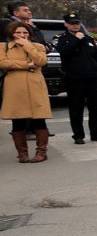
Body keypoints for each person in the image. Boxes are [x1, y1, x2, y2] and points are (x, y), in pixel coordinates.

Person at [54, 12, 97, 144]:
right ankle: (78, 135)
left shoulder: (88, 39)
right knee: (76, 108)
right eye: (72, 23)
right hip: (75, 79)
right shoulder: (62, 39)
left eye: (77, 23)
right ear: (66, 24)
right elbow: (65, 52)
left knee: (96, 108)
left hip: (93, 78)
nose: (75, 26)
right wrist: (76, 39)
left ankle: (96, 133)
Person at [1, 21, 52, 162]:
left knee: (39, 119)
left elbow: (41, 61)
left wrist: (27, 46)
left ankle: (41, 151)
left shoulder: (37, 46)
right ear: (11, 34)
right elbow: (2, 63)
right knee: (17, 120)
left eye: (25, 32)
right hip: (14, 86)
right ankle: (22, 153)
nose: (22, 35)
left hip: (35, 84)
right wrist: (25, 65)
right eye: (18, 33)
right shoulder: (4, 47)